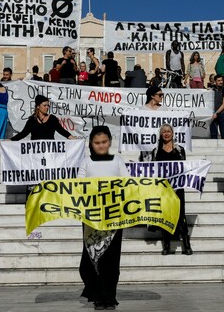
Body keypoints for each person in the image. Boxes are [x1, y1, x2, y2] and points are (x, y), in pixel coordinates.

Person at [78, 125, 129, 310]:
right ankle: (96, 293)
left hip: (115, 216)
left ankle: (108, 297)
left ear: (110, 142)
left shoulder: (117, 160)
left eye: (104, 142)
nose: (101, 145)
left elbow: (127, 183)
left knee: (111, 259)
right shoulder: (86, 162)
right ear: (91, 143)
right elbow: (79, 187)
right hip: (91, 217)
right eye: (97, 142)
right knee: (90, 260)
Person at [141, 124, 192, 255]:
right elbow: (151, 169)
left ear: (173, 133)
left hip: (177, 188)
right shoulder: (155, 151)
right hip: (163, 189)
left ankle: (186, 245)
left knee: (181, 215)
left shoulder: (180, 150)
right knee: (165, 215)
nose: (166, 133)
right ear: (160, 134)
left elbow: (184, 167)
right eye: (164, 131)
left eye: (168, 131)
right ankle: (167, 245)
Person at [210, 75, 224, 140]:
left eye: (221, 80)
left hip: (222, 114)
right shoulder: (212, 89)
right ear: (215, 82)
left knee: (223, 132)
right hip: (213, 114)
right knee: (213, 133)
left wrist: (216, 113)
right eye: (219, 81)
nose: (221, 82)